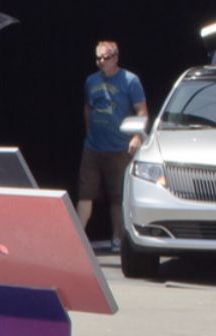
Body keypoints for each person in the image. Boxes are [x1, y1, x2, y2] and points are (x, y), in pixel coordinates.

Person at [79, 41, 147, 252]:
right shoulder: (91, 81)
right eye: (98, 58)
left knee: (117, 196)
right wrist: (89, 131)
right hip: (93, 146)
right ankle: (78, 237)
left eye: (105, 58)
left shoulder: (130, 80)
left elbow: (142, 111)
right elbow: (88, 107)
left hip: (119, 146)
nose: (101, 62)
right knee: (85, 193)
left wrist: (137, 136)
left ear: (115, 58)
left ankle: (117, 237)